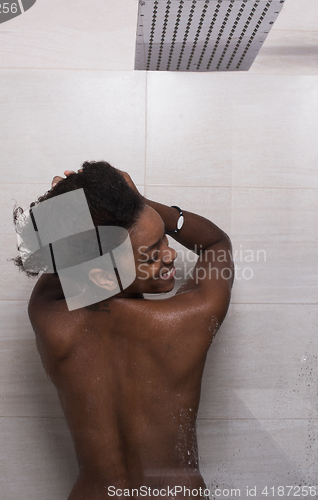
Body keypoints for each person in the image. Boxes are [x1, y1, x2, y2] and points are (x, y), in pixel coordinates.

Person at [13, 161, 234, 500]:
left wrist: (70, 216)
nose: (170, 254)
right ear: (101, 275)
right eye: (151, 253)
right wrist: (141, 200)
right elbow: (215, 244)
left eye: (163, 239)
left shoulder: (49, 318)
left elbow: (67, 262)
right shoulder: (189, 319)